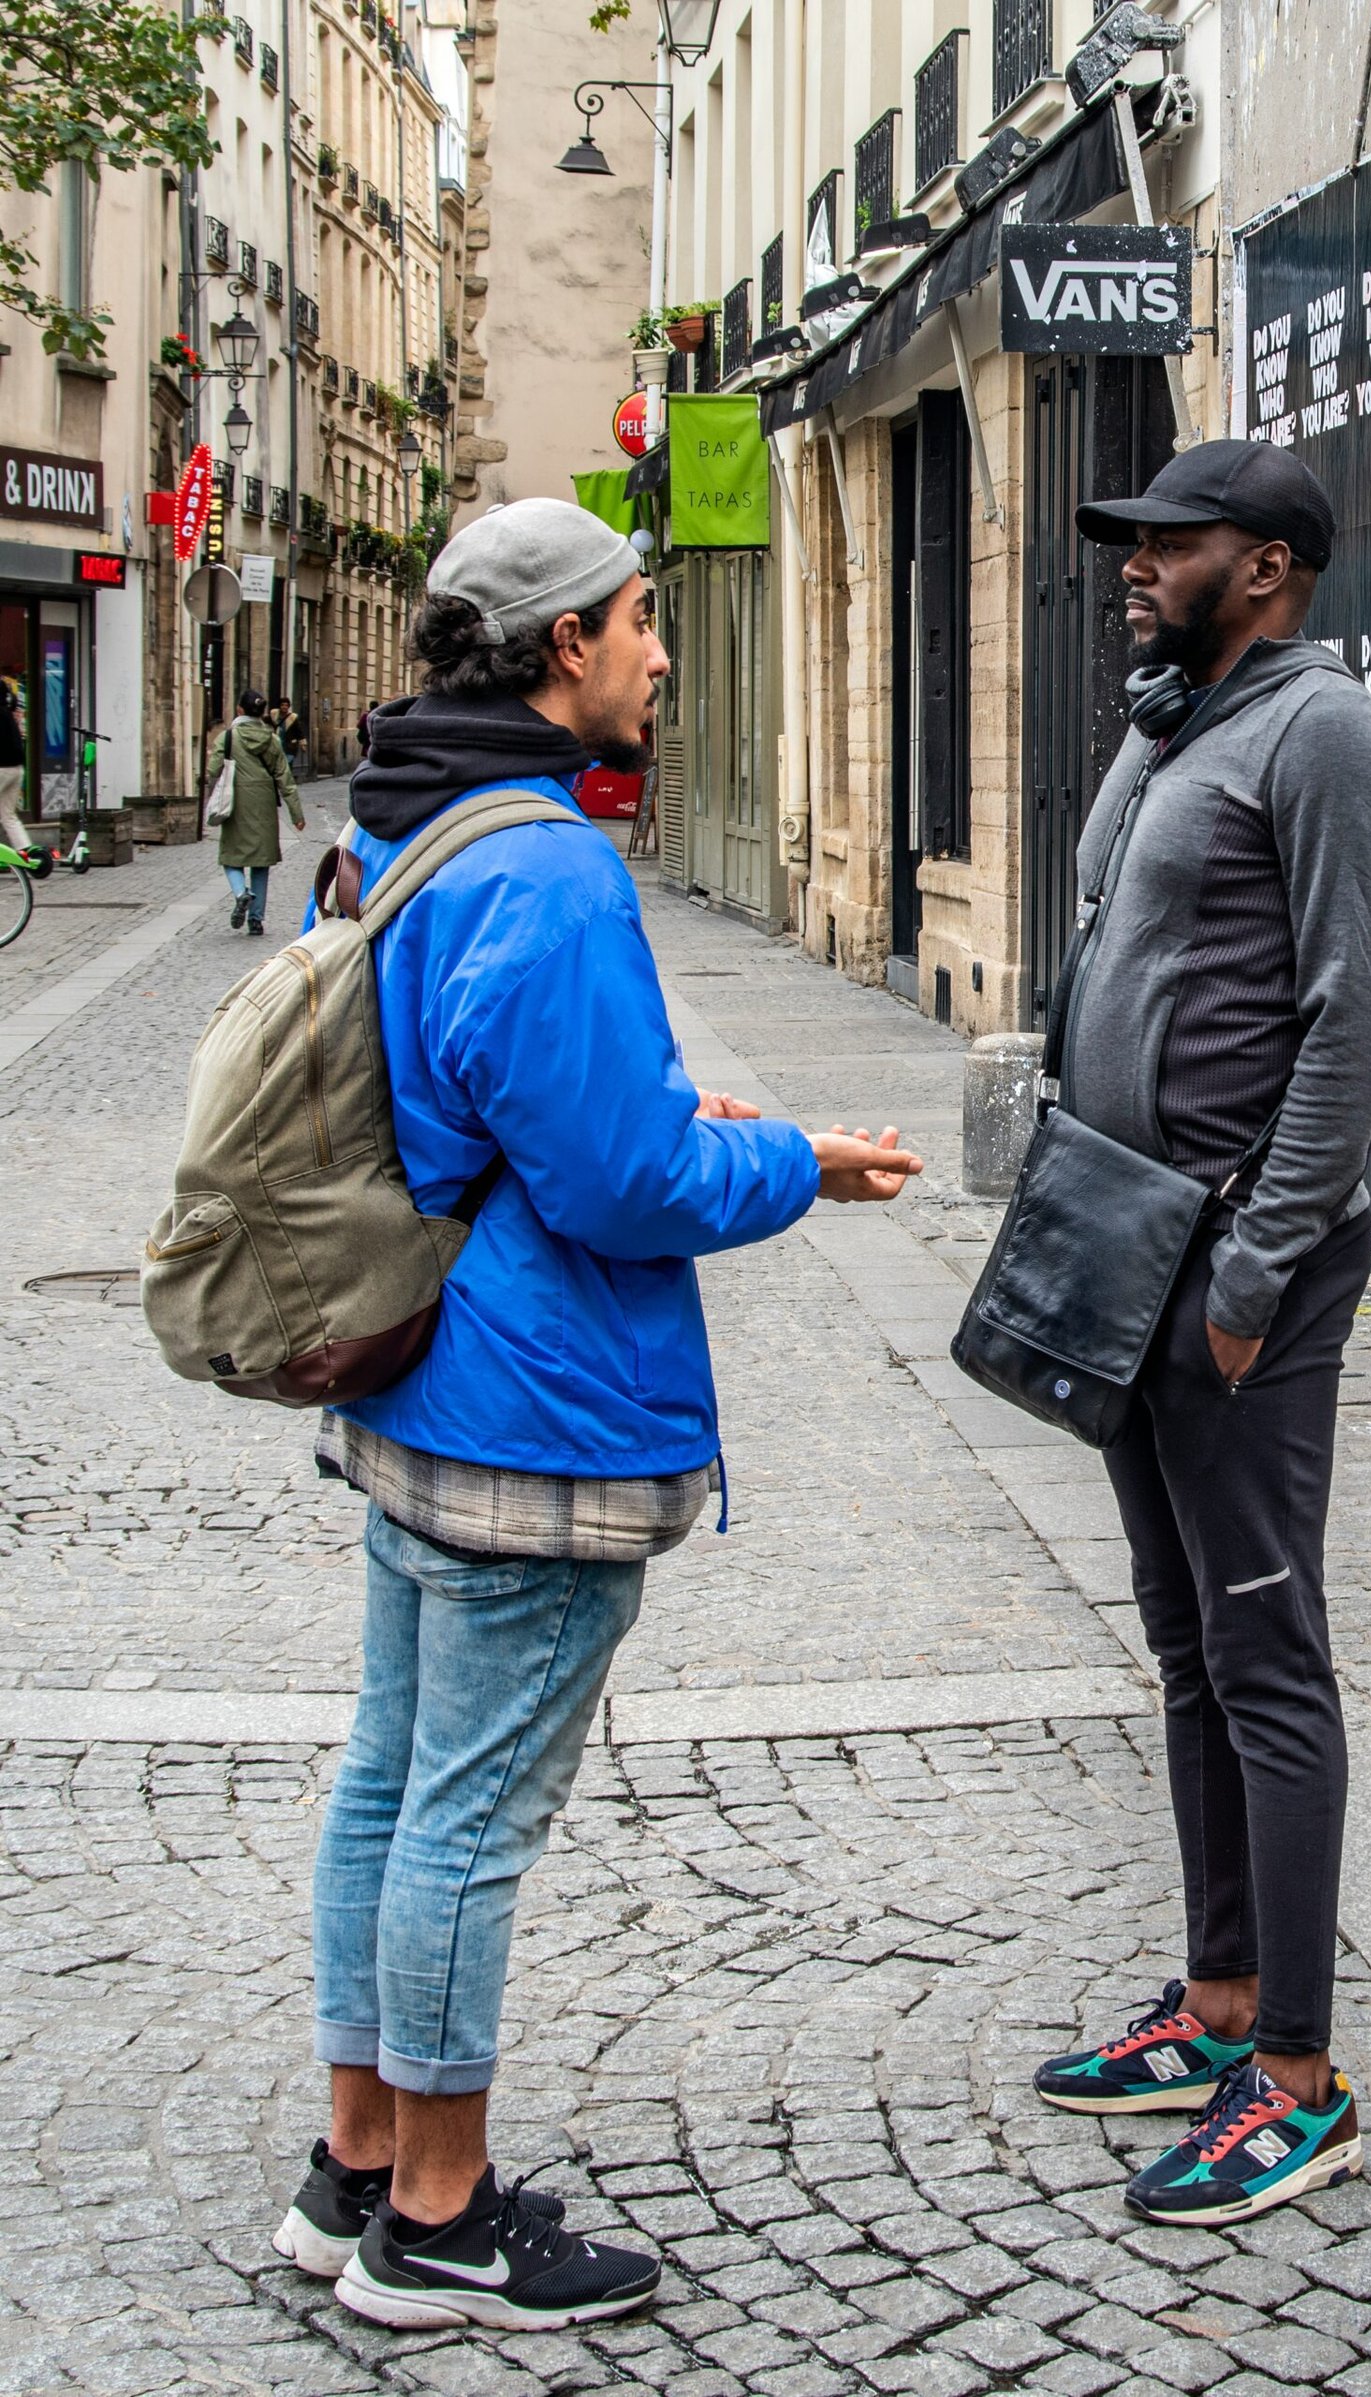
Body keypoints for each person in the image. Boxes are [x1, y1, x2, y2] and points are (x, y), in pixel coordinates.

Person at [270, 497, 922, 2333]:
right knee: (469, 1817)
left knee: (392, 1778)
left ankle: (355, 2162)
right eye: (639, 617)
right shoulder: (547, 863)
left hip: (417, 1376)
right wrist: (799, 1162)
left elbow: (483, 1097)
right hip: (529, 1415)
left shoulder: (401, 817)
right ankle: (439, 2223)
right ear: (564, 643)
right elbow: (622, 1183)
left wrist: (666, 1113)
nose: (658, 647)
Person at [1030, 442, 1371, 2226]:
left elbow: (1356, 1021)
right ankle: (1218, 2003)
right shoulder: (1176, 721)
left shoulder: (1324, 736)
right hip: (1122, 1243)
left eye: (1165, 543)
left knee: (1267, 1659)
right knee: (1186, 1642)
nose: (1132, 564)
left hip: (1239, 1273)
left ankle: (1300, 2081)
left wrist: (1254, 1277)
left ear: (1265, 564)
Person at [207, 687, 305, 934]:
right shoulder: (271, 739)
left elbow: (213, 769)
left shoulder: (228, 737)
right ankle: (256, 920)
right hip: (264, 805)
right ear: (262, 712)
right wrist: (297, 815)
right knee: (261, 864)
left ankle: (241, 893)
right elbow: (285, 778)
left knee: (230, 857)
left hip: (236, 804)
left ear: (239, 709)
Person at [0, 679, 30, 854]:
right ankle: (25, 851)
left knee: (8, 815)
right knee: (8, 816)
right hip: (17, 769)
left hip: (2, 769)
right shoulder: (7, 713)